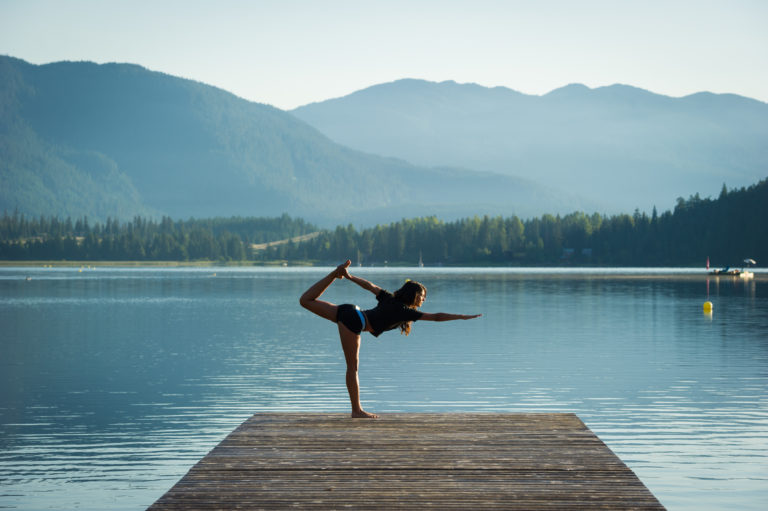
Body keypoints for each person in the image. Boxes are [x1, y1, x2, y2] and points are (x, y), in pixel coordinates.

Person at [299, 260, 482, 418]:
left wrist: (349, 276)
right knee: (352, 367)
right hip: (354, 320)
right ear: (415, 295)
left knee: (305, 301)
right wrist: (461, 316)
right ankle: (357, 410)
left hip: (351, 312)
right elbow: (436, 317)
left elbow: (370, 285)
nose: (423, 301)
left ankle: (334, 274)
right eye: (423, 297)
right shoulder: (404, 310)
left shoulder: (390, 299)